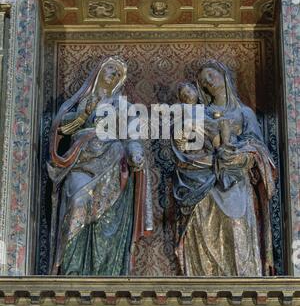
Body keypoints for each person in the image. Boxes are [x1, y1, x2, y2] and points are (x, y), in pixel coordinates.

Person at [47, 56, 153, 275]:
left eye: (118, 74)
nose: (113, 74)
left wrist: (135, 151)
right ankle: (71, 269)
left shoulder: (123, 106)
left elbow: (132, 135)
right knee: (78, 201)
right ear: (97, 72)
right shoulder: (79, 103)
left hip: (113, 161)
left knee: (108, 219)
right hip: (81, 160)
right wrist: (83, 115)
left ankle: (107, 272)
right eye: (110, 69)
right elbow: (60, 129)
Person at [172, 59, 276, 276]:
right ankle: (204, 280)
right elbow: (188, 144)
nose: (209, 81)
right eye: (204, 82)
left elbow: (258, 147)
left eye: (211, 75)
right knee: (200, 213)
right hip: (205, 176)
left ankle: (242, 278)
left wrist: (240, 156)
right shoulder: (200, 113)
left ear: (223, 74)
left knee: (235, 221)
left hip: (234, 177)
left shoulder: (244, 113)